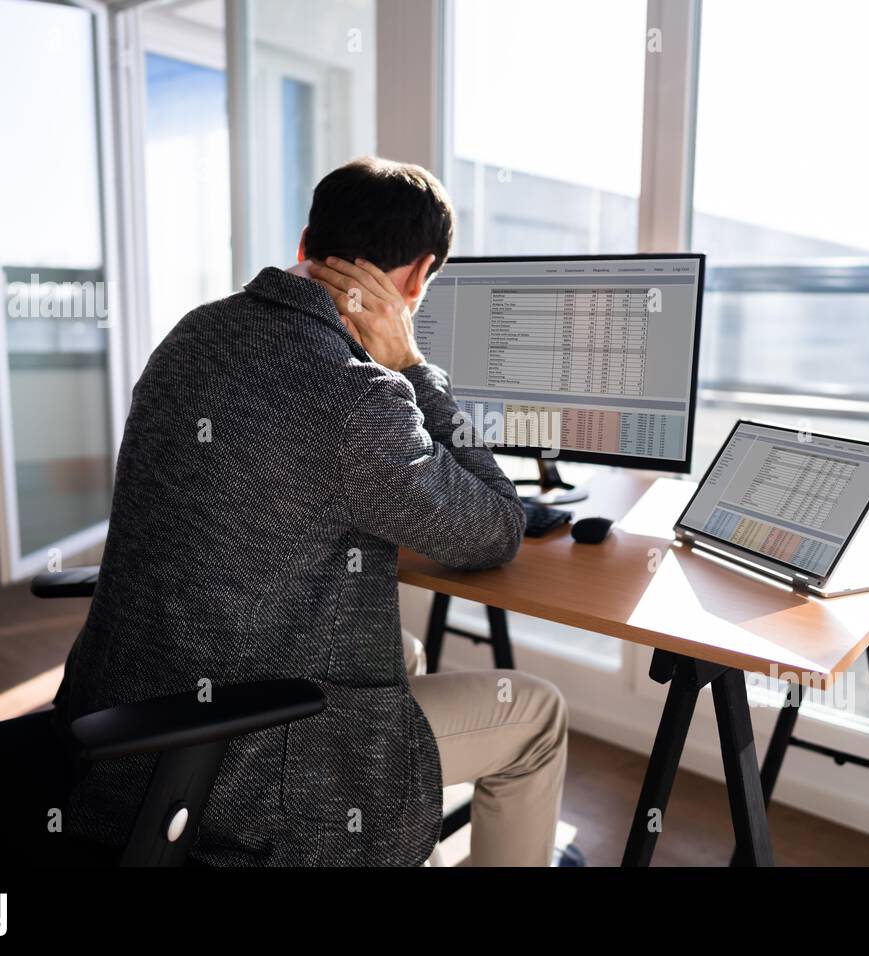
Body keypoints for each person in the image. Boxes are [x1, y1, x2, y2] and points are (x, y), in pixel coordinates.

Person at [54, 156, 567, 866]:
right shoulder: (361, 397)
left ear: (303, 243)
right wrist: (414, 369)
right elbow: (497, 529)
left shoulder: (193, 333)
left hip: (118, 718)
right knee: (536, 712)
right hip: (244, 770)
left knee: (405, 654)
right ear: (417, 280)